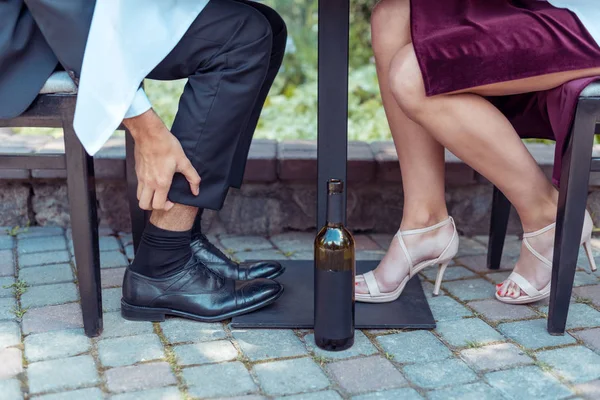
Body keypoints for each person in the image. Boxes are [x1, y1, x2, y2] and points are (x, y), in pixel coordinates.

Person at [0, 0, 288, 321]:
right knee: (243, 35)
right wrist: (145, 128)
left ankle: (185, 236)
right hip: (34, 32)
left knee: (267, 23)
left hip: (87, 14)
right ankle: (163, 263)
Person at [356, 0, 600, 305]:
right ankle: (424, 221)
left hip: (586, 21)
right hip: (537, 6)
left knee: (415, 78)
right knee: (391, 17)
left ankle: (547, 215)